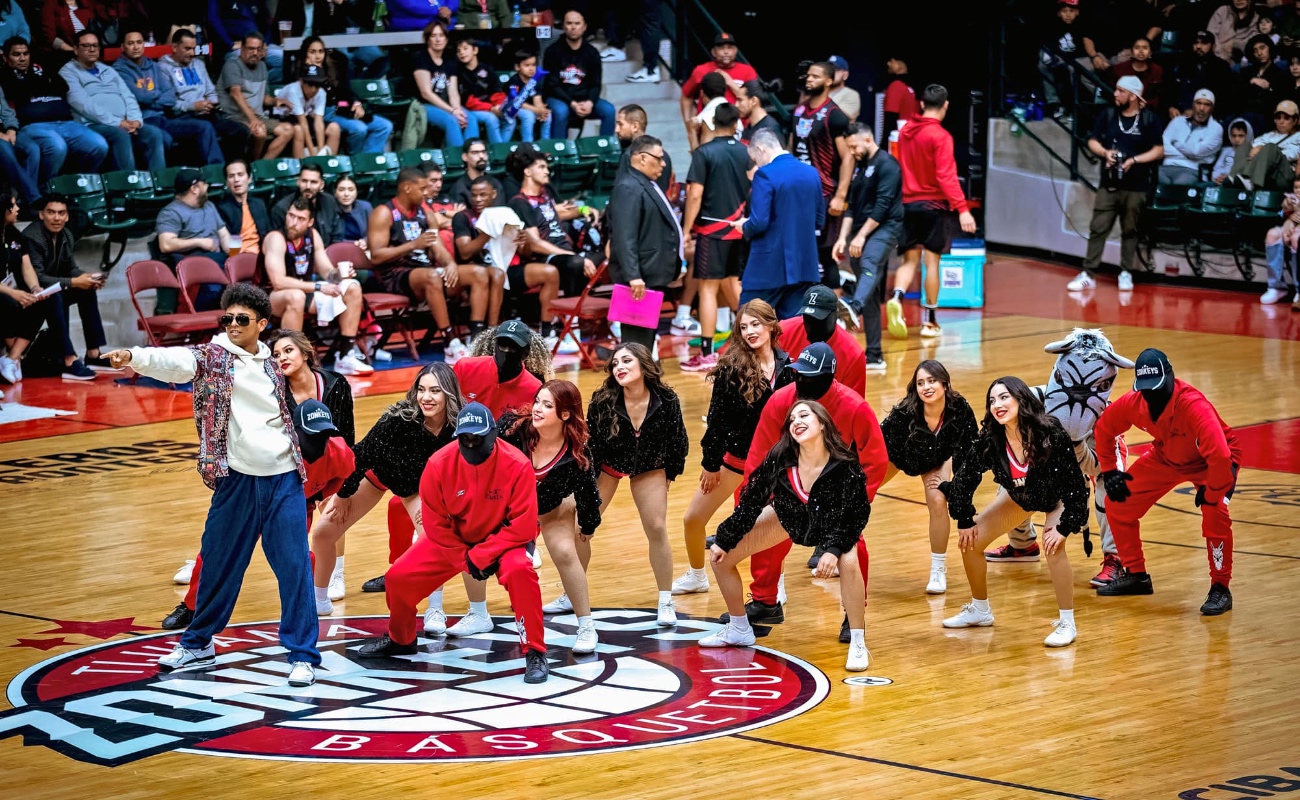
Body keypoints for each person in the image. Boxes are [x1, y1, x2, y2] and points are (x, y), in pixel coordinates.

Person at [104, 284, 320, 686]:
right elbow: (173, 361)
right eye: (227, 318)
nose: (232, 325)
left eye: (242, 319)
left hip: (283, 479)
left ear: (261, 325)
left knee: (294, 568)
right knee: (217, 564)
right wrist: (133, 357)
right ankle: (199, 642)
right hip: (235, 480)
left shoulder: (275, 366)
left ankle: (303, 653)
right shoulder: (213, 357)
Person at [161, 328, 357, 629]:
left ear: (305, 353)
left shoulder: (335, 385)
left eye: (288, 351)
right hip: (258, 478)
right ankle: (192, 606)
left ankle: (312, 602)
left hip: (300, 489)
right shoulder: (268, 389)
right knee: (216, 548)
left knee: (297, 557)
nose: (281, 358)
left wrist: (328, 493)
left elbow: (344, 444)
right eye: (276, 354)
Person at [358, 402, 551, 686]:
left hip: (505, 541)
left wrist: (482, 555)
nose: (471, 442)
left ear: (493, 434)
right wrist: (465, 558)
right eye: (465, 437)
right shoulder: (438, 464)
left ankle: (535, 650)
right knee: (398, 577)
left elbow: (522, 525)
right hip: (456, 540)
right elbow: (435, 524)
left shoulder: (517, 464)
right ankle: (401, 638)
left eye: (478, 437)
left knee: (521, 571)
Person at [704, 400, 872, 670]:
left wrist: (832, 550)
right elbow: (752, 499)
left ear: (822, 424)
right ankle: (738, 628)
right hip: (787, 519)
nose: (796, 421)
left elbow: (856, 515)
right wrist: (726, 537)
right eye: (792, 419)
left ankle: (858, 639)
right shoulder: (780, 456)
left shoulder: (845, 463)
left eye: (804, 415)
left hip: (833, 527)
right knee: (720, 558)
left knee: (850, 563)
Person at [737, 342, 887, 635]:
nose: (800, 381)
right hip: (789, 486)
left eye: (809, 376)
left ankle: (853, 614)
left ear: (828, 378)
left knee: (853, 546)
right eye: (798, 374)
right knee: (766, 535)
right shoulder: (781, 400)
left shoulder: (855, 406)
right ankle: (766, 602)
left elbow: (876, 460)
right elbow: (758, 455)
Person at [936, 377, 1089, 647]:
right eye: (992, 400)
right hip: (1020, 497)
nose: (998, 404)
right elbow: (966, 477)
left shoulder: (1050, 433)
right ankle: (980, 610)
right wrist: (963, 518)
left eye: (1004, 397)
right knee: (970, 543)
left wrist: (1064, 528)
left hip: (1058, 498)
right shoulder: (992, 440)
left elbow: (1076, 485)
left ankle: (1067, 623)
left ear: (1020, 398)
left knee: (1053, 547)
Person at [1094, 349, 1240, 616]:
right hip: (1166, 456)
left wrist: (1214, 490)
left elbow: (1220, 454)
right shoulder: (1134, 402)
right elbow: (1104, 428)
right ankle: (1137, 575)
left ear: (1170, 377)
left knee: (1214, 515)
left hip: (1213, 462)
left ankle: (1220, 588)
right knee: (1118, 503)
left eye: (1157, 388)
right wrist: (1111, 470)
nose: (1151, 395)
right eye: (1145, 389)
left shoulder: (1194, 406)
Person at [313, 363, 462, 615]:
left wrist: (441, 505)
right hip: (379, 475)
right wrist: (342, 494)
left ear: (449, 393)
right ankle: (318, 601)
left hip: (418, 489)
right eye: (421, 389)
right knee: (323, 532)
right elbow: (359, 455)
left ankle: (435, 609)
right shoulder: (397, 420)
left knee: (432, 537)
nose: (426, 397)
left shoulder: (460, 426)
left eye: (435, 391)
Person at [562, 343, 688, 626]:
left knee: (656, 527)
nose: (619, 366)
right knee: (581, 528)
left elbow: (678, 441)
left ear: (644, 365)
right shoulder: (602, 401)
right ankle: (571, 593)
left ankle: (665, 599)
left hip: (650, 466)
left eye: (626, 361)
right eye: (615, 362)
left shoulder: (667, 400)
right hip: (608, 465)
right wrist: (585, 486)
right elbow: (589, 446)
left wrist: (671, 475)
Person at [674, 300, 792, 594]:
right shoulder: (731, 367)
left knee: (768, 528)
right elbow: (716, 421)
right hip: (734, 461)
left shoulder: (789, 366)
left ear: (771, 324)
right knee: (692, 519)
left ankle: (773, 582)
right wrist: (711, 464)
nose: (751, 331)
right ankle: (696, 574)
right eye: (744, 327)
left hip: (771, 465)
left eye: (756, 324)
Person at [497, 381, 603, 652]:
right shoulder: (513, 430)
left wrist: (588, 525)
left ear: (565, 414)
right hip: (509, 509)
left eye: (547, 405)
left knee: (566, 553)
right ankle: (477, 612)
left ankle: (586, 626)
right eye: (537, 402)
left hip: (550, 508)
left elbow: (588, 493)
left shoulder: (577, 452)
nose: (537, 409)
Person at [878, 360, 978, 594]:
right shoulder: (904, 413)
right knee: (861, 491)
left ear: (944, 383)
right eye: (921, 383)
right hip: (898, 456)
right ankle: (835, 548)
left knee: (937, 499)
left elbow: (969, 459)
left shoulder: (960, 409)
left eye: (932, 381)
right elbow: (877, 441)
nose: (926, 387)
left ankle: (938, 569)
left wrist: (962, 508)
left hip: (936, 460)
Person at [885, 83, 977, 340]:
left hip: (907, 204)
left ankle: (897, 296)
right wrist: (962, 209)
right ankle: (930, 322)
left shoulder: (905, 134)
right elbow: (946, 176)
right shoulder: (941, 136)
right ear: (945, 105)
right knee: (931, 262)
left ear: (922, 104)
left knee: (909, 261)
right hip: (933, 206)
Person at [367, 167, 476, 362]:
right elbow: (376, 256)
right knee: (432, 276)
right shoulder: (384, 213)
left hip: (424, 272)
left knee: (481, 273)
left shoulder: (426, 214)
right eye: (422, 188)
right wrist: (413, 245)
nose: (427, 192)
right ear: (407, 188)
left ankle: (479, 335)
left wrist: (450, 264)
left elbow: (437, 246)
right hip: (393, 274)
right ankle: (450, 341)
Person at [1067, 76, 1163, 293]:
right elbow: (1092, 140)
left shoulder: (1149, 119)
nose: (1115, 94)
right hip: (1109, 183)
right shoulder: (1108, 115)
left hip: (1136, 185)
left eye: (1120, 91)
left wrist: (1134, 160)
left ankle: (1126, 272)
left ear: (1133, 95)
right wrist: (1104, 153)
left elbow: (1159, 150)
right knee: (1098, 228)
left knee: (1130, 229)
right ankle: (1088, 274)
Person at [260, 196, 372, 375]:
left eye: (300, 219)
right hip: (270, 296)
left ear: (310, 222)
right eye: (291, 216)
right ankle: (287, 360)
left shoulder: (313, 236)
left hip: (304, 290)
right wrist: (320, 287)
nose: (293, 222)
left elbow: (328, 272)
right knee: (295, 296)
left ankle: (346, 356)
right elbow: (278, 282)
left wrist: (340, 274)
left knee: (352, 286)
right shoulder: (276, 238)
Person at [679, 103, 749, 373]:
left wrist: (685, 230)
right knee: (733, 283)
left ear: (711, 123)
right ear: (736, 123)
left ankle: (707, 353)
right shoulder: (746, 151)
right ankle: (755, 341)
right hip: (741, 228)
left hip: (712, 229)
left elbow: (695, 195)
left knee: (707, 288)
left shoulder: (704, 153)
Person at [833, 122, 903, 373]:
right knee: (871, 291)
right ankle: (874, 355)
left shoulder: (887, 165)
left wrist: (861, 237)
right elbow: (851, 206)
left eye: (854, 146)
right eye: (848, 148)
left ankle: (855, 306)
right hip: (861, 231)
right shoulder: (859, 167)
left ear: (867, 139)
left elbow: (882, 206)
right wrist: (843, 237)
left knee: (868, 262)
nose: (851, 151)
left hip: (885, 229)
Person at [732, 129, 823, 319]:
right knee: (793, 329)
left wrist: (744, 227)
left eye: (754, 158)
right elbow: (819, 220)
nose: (756, 163)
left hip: (768, 265)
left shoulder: (765, 174)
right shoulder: (811, 172)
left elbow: (759, 222)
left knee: (747, 320)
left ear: (760, 149)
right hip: (804, 263)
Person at [607, 135, 683, 351]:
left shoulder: (644, 183)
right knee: (636, 343)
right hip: (639, 279)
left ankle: (643, 381)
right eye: (659, 158)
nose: (663, 163)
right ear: (641, 158)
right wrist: (633, 275)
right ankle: (632, 382)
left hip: (649, 274)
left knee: (644, 341)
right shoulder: (628, 187)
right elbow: (624, 235)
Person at [0, 37, 109, 188]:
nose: (22, 58)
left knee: (99, 145)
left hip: (66, 122)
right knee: (57, 146)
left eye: (25, 54)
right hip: (34, 125)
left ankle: (74, 185)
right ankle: (46, 189)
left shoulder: (41, 68)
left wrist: (31, 85)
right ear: (6, 57)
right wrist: (43, 84)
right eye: (16, 54)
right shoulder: (4, 74)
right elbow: (16, 91)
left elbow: (63, 87)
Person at [505, 147, 596, 318]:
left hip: (565, 252)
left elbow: (562, 212)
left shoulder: (545, 196)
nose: (547, 171)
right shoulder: (520, 202)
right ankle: (571, 324)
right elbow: (535, 244)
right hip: (546, 257)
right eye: (541, 167)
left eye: (546, 167)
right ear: (527, 172)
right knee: (575, 263)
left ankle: (616, 321)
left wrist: (585, 209)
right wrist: (570, 254)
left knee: (610, 261)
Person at [25, 194, 106, 380]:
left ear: (67, 216)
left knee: (86, 289)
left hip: (53, 289)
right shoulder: (32, 237)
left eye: (61, 213)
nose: (57, 218)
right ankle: (69, 359)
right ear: (41, 215)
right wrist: (74, 282)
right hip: (30, 294)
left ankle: (93, 354)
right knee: (56, 295)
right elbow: (38, 277)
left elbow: (71, 268)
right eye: (51, 213)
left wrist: (87, 278)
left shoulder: (66, 234)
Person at [60, 30, 167, 171]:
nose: (92, 49)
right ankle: (129, 184)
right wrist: (118, 123)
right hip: (92, 124)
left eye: (95, 45)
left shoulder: (108, 70)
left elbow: (128, 97)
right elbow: (84, 105)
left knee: (153, 133)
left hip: (124, 122)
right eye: (86, 46)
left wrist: (135, 121)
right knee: (119, 134)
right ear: (75, 49)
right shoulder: (68, 72)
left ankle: (159, 183)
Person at [113, 28, 223, 166]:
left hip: (163, 118)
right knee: (165, 139)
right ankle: (164, 180)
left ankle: (216, 172)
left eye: (139, 42)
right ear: (123, 47)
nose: (136, 47)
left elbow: (170, 97)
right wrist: (157, 93)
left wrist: (149, 97)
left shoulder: (152, 66)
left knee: (204, 127)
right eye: (131, 43)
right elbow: (140, 97)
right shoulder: (119, 69)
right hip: (142, 121)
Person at [791, 60, 853, 290]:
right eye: (808, 76)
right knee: (799, 251)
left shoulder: (834, 115)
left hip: (824, 193)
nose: (809, 79)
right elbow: (792, 147)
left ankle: (834, 315)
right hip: (798, 193)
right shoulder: (798, 111)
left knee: (825, 254)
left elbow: (848, 157)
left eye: (815, 76)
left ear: (829, 81)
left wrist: (840, 194)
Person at [0, 191, 70, 384]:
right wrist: (13, 293)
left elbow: (26, 264)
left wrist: (35, 288)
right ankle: (14, 356)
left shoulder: (14, 233)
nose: (17, 209)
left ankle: (12, 357)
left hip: (12, 289)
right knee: (6, 302)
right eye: (13, 206)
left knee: (43, 300)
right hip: (3, 293)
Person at [159, 28, 249, 162]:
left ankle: (233, 170)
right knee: (205, 128)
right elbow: (168, 104)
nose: (192, 53)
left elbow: (211, 91)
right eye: (187, 49)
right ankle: (216, 171)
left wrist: (210, 103)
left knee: (241, 130)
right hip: (181, 117)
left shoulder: (199, 64)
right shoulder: (163, 68)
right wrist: (193, 106)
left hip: (207, 114)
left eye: (194, 48)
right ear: (175, 47)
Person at [296, 36, 393, 157]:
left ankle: (369, 161)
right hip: (320, 115)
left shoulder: (334, 65)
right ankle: (356, 161)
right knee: (359, 129)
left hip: (340, 109)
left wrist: (356, 103)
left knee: (384, 126)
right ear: (305, 53)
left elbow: (345, 90)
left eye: (321, 51)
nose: (317, 56)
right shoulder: (300, 71)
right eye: (312, 52)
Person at [218, 31, 295, 160]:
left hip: (258, 117)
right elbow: (235, 93)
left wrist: (277, 101)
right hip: (235, 118)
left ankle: (262, 164)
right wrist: (253, 119)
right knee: (260, 132)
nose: (255, 53)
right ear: (242, 49)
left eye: (258, 49)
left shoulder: (262, 66)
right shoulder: (232, 64)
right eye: (251, 49)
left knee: (288, 130)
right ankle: (254, 163)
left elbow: (264, 98)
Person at [778, 285, 866, 396]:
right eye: (807, 318)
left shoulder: (853, 354)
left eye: (818, 319)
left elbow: (853, 405)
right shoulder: (782, 332)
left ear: (834, 316)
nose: (811, 325)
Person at [542, 10, 615, 138]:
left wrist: (590, 103)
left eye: (577, 23)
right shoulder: (552, 51)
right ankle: (559, 153)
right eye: (569, 23)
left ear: (584, 27)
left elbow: (596, 84)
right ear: (564, 27)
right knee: (561, 111)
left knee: (608, 111)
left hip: (584, 99)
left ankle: (606, 151)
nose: (573, 27)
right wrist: (572, 103)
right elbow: (551, 85)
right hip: (559, 98)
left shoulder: (592, 53)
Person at [678, 31, 757, 132]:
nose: (726, 51)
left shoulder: (747, 71)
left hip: (739, 129)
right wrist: (688, 124)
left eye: (730, 47)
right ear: (713, 52)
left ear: (736, 50)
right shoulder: (701, 70)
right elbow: (686, 97)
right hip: (708, 129)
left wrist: (730, 83)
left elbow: (754, 101)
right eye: (721, 48)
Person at [413, 20, 475, 148]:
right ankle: (458, 161)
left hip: (446, 104)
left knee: (470, 118)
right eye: (433, 36)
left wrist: (458, 110)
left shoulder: (449, 60)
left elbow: (453, 91)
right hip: (424, 106)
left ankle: (473, 155)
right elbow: (426, 93)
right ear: (427, 39)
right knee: (451, 121)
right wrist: (452, 111)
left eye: (441, 35)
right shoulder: (421, 57)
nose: (438, 39)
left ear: (446, 40)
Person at [156, 168, 234, 269]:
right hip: (194, 266)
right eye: (204, 182)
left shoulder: (209, 206)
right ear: (194, 189)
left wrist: (235, 255)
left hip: (218, 260)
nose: (207, 185)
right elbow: (166, 245)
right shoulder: (170, 213)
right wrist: (199, 242)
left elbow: (223, 235)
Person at [1159, 89, 1223, 186]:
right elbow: (1162, 147)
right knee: (1147, 178)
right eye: (1198, 103)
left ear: (1212, 108)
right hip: (1166, 166)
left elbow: (1196, 152)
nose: (1202, 108)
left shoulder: (1216, 129)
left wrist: (1175, 143)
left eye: (1207, 105)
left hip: (1192, 170)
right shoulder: (1177, 121)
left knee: (1179, 186)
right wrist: (1187, 154)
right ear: (1193, 105)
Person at [270, 163, 345, 247]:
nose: (308, 186)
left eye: (313, 182)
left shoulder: (329, 202)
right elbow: (277, 243)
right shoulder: (281, 209)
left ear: (321, 185)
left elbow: (337, 237)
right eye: (304, 181)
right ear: (298, 182)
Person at [280, 63, 340, 158]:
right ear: (302, 82)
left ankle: (327, 165)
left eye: (317, 85)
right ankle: (302, 167)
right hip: (283, 117)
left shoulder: (321, 92)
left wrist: (320, 151)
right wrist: (313, 154)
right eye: (310, 84)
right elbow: (302, 123)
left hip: (305, 116)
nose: (313, 89)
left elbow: (318, 121)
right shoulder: (293, 91)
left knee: (334, 128)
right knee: (299, 130)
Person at [214, 159, 271, 256]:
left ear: (249, 178)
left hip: (262, 255)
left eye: (240, 175)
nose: (236, 180)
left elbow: (268, 235)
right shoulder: (222, 209)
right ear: (227, 182)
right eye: (231, 176)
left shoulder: (259, 204)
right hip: (238, 257)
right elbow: (229, 248)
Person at [455, 38, 506, 145]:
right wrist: (490, 108)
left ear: (475, 50)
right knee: (491, 119)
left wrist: (498, 106)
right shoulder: (458, 73)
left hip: (491, 107)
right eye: (459, 51)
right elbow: (467, 101)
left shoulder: (487, 69)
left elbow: (497, 91)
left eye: (465, 48)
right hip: (469, 110)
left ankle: (502, 149)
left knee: (510, 118)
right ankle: (498, 150)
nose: (462, 52)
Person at [614, 103, 674, 193]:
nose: (617, 130)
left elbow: (623, 193)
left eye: (620, 124)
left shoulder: (629, 156)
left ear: (635, 126)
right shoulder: (664, 155)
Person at [505, 49, 550, 143]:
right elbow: (517, 102)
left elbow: (537, 98)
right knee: (529, 116)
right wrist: (536, 110)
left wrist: (541, 110)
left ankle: (545, 143)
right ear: (517, 67)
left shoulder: (536, 80)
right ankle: (528, 143)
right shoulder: (514, 81)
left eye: (533, 65)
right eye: (527, 65)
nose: (531, 68)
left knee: (548, 115)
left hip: (531, 107)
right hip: (513, 108)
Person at [447, 138, 503, 207]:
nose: (481, 156)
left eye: (483, 152)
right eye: (475, 153)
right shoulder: (459, 189)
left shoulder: (495, 184)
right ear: (465, 157)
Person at [881, 53, 922, 135]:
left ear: (902, 65)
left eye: (892, 61)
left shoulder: (896, 85)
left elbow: (890, 118)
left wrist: (884, 145)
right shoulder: (914, 86)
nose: (888, 64)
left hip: (898, 139)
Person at [735, 79, 782, 145]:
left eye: (740, 100)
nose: (736, 105)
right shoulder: (748, 128)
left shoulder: (770, 129)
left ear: (753, 101)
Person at [335, 176, 372, 246]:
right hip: (340, 249)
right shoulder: (329, 209)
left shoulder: (365, 207)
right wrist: (353, 244)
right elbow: (332, 239)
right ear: (335, 192)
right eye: (341, 190)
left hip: (364, 248)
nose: (346, 194)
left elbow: (375, 232)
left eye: (351, 190)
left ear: (356, 192)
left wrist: (366, 241)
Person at [827, 55, 861, 122]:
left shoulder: (851, 94)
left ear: (845, 75)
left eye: (835, 69)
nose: (831, 72)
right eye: (828, 69)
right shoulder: (818, 92)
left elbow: (840, 118)